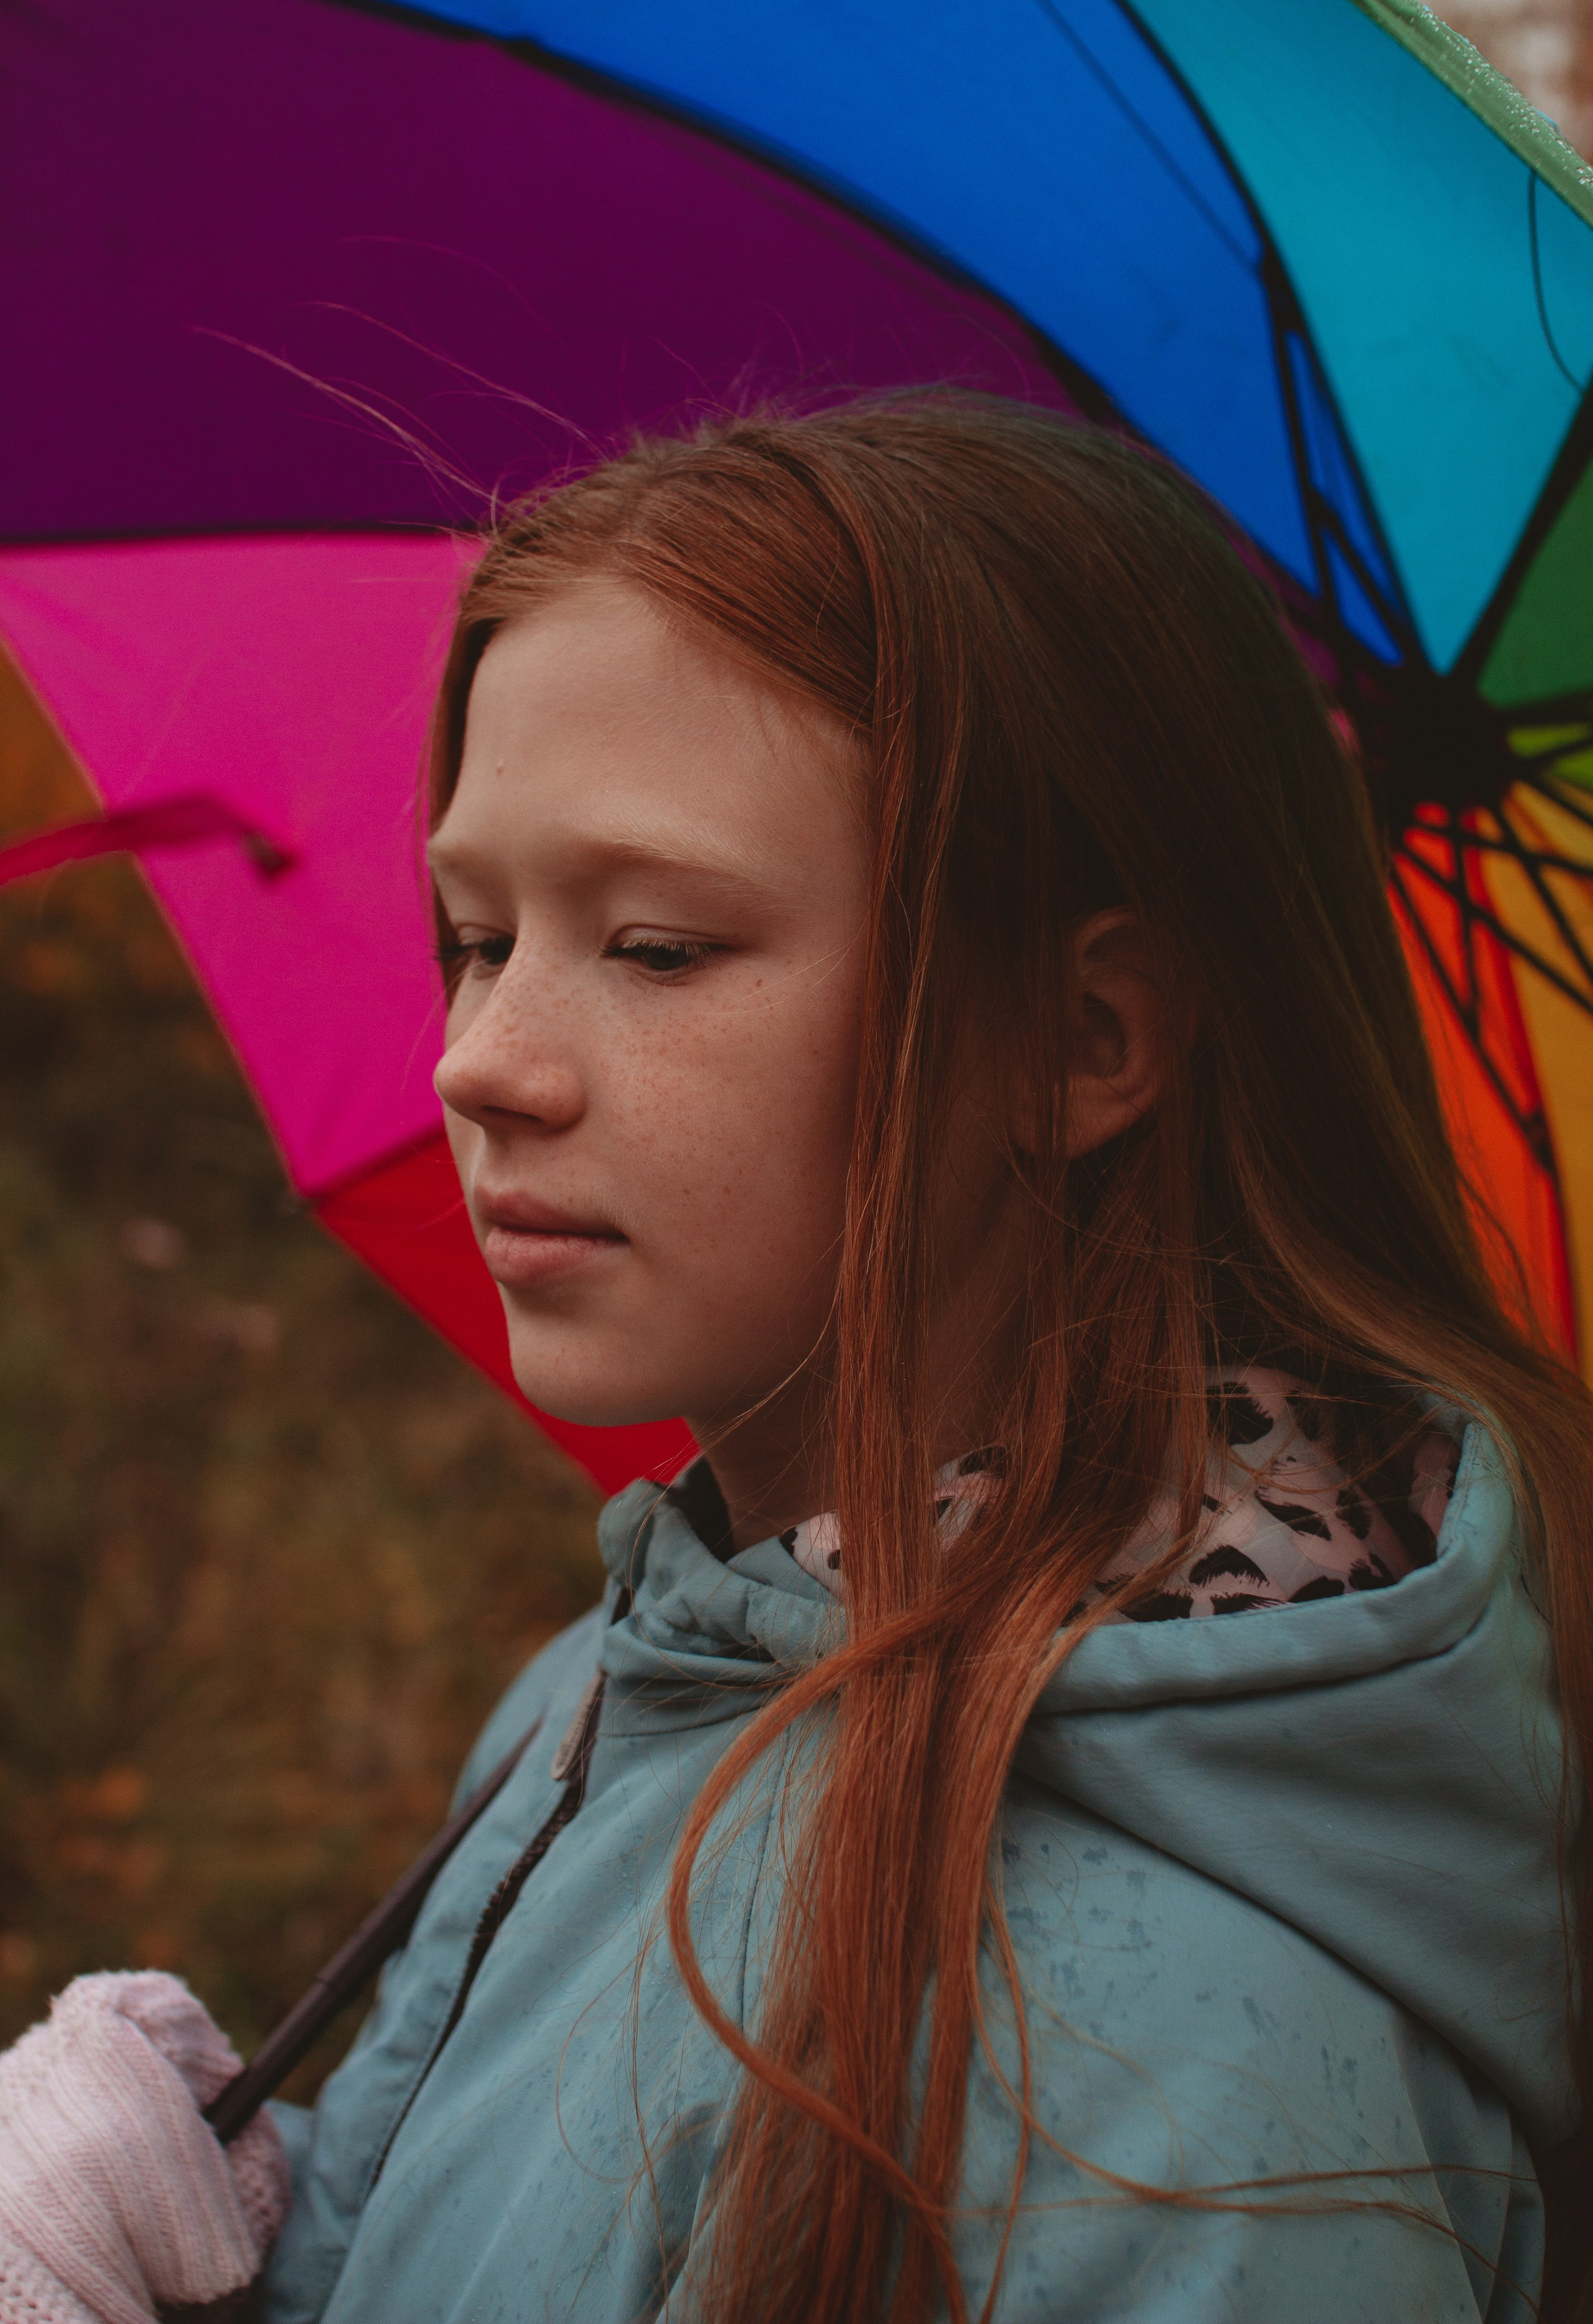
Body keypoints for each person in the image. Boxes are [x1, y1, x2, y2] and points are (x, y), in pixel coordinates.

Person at [0, 397, 1587, 2324]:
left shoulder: (1176, 2092)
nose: (480, 1061)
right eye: (478, 934)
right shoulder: (610, 1684)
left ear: (1083, 1039)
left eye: (657, 947)